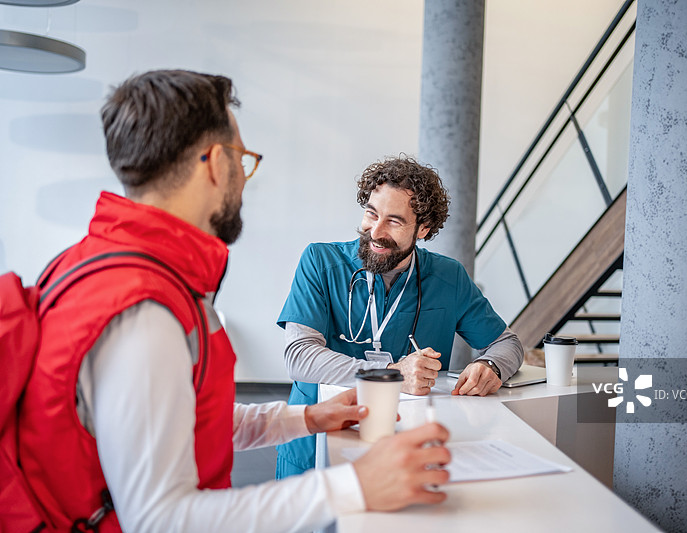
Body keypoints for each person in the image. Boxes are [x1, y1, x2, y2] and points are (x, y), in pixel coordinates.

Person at [16, 70, 450, 533]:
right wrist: (354, 486)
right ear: (217, 163)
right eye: (243, 159)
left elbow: (181, 423)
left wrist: (301, 417)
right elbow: (160, 519)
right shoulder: (144, 311)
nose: (243, 179)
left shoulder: (114, 266)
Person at [276, 155, 524, 478]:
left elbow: (508, 344)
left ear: (423, 228)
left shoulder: (449, 278)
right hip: (314, 445)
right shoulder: (320, 262)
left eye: (393, 221)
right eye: (371, 213)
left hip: (403, 448)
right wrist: (391, 373)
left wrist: (491, 366)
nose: (375, 231)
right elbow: (299, 356)